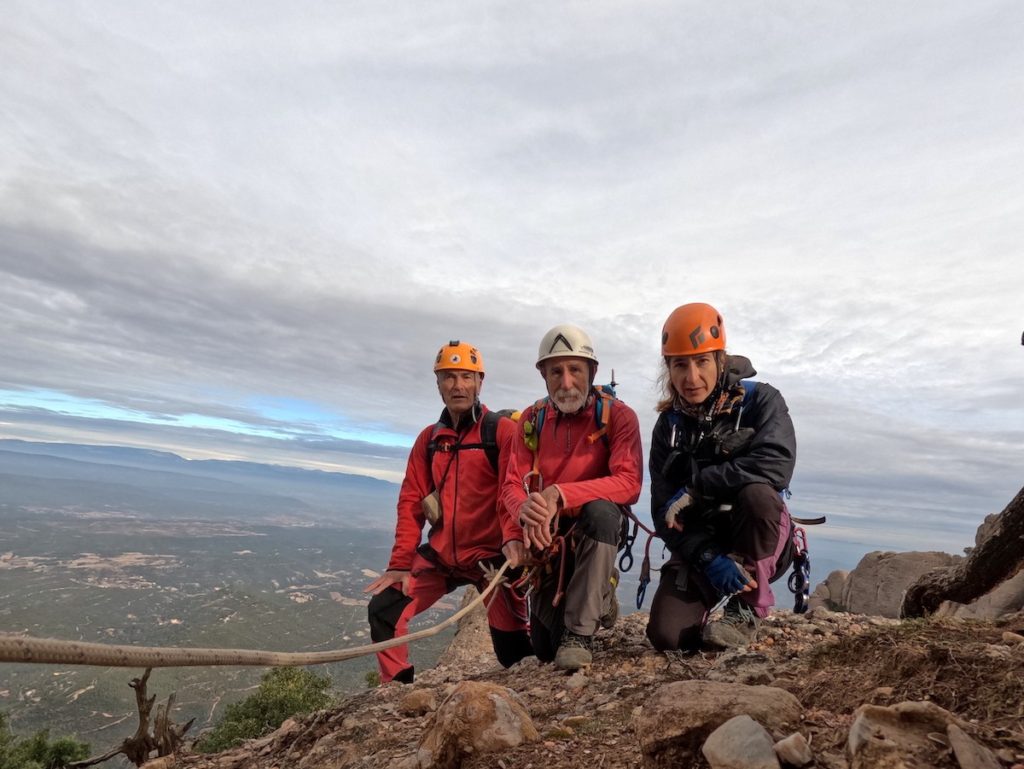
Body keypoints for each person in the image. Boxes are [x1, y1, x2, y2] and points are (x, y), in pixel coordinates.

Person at [365, 340, 533, 683]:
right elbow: (411, 500)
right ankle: (397, 694)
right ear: (438, 385)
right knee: (384, 609)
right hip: (442, 558)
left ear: (480, 382)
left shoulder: (499, 432)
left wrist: (513, 542)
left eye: (466, 377)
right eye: (449, 377)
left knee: (513, 653)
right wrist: (400, 564)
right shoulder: (430, 440)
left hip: (490, 560)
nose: (458, 385)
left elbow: (511, 492)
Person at [646, 303, 796, 651]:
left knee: (757, 495)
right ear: (668, 369)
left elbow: (776, 466)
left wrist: (698, 488)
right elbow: (661, 511)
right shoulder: (668, 428)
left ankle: (747, 607)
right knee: (668, 637)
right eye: (680, 364)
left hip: (758, 535)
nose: (692, 377)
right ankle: (714, 589)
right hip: (705, 541)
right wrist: (707, 557)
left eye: (701, 362)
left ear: (720, 360)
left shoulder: (761, 402)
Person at [502, 324, 643, 671]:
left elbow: (629, 483)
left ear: (591, 372)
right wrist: (522, 514)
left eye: (575, 370)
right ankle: (601, 598)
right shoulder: (532, 420)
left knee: (602, 513)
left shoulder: (618, 417)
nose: (566, 382)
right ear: (544, 376)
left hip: (593, 529)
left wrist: (561, 494)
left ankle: (580, 633)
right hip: (548, 540)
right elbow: (509, 485)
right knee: (545, 648)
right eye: (556, 372)